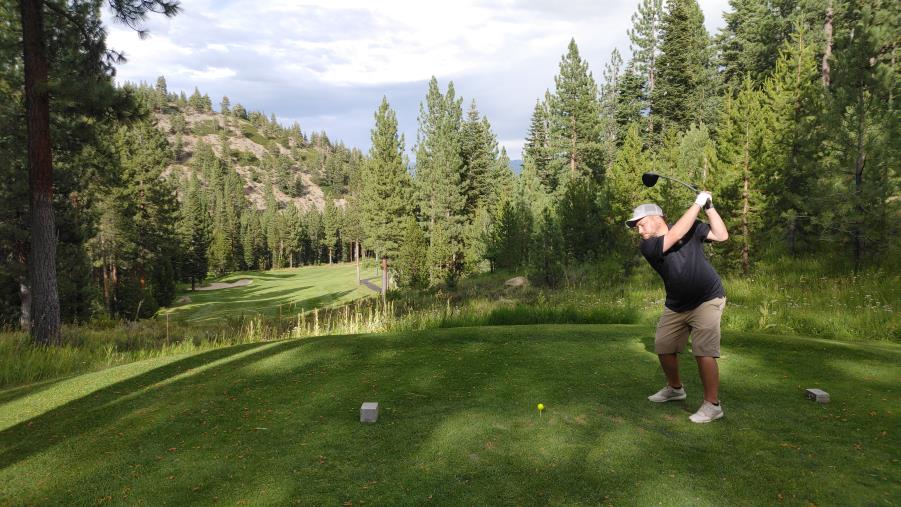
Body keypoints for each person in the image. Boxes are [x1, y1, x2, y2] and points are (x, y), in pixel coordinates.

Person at [626, 191, 729, 423]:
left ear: (657, 218)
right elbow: (674, 235)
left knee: (703, 351)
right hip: (676, 303)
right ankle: (675, 389)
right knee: (663, 346)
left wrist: (709, 207)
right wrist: (697, 203)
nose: (639, 231)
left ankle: (712, 405)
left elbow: (722, 235)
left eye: (641, 224)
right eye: (636, 227)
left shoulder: (690, 227)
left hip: (707, 298)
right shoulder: (648, 246)